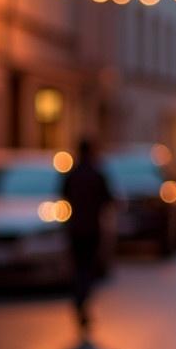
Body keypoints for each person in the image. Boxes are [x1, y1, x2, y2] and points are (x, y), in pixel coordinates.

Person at [60, 139, 114, 333]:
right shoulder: (97, 174)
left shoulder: (72, 174)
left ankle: (79, 297)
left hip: (75, 228)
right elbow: (108, 199)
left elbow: (62, 194)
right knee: (87, 265)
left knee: (79, 265)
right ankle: (82, 298)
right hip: (91, 228)